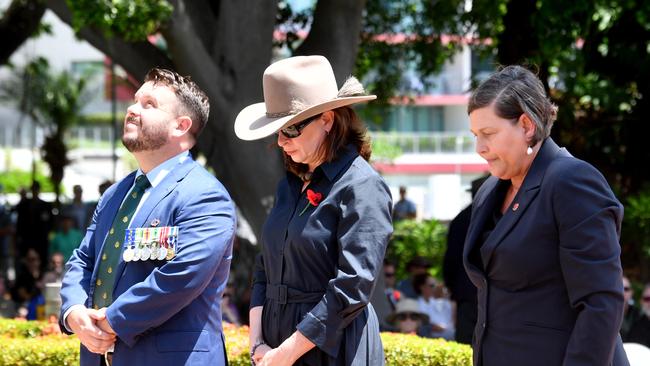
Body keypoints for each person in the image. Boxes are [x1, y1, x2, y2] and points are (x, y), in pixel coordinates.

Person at [59, 68, 236, 366]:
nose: (132, 108)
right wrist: (74, 312)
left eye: (149, 104)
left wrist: (109, 321)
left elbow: (181, 278)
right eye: (136, 100)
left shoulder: (205, 195)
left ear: (181, 126)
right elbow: (83, 260)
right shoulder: (117, 193)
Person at [463, 65, 628, 365]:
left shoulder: (571, 180)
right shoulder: (489, 191)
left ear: (526, 126)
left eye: (488, 133)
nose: (479, 147)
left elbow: (601, 302)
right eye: (475, 135)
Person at [235, 55, 392, 366]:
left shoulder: (362, 186)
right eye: (276, 130)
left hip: (333, 348)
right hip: (275, 348)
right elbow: (265, 267)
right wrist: (258, 346)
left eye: (290, 129)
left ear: (328, 120)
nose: (280, 141)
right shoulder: (289, 186)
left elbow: (352, 287)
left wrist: (285, 353)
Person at [442, 175, 487, 344]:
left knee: (466, 345)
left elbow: (450, 261)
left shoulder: (460, 219)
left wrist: (453, 289)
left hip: (465, 292)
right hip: (490, 292)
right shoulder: (498, 216)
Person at [412, 273, 455, 340]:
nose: (435, 288)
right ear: (422, 287)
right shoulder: (416, 305)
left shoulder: (438, 302)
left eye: (436, 285)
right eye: (432, 285)